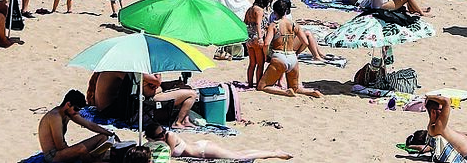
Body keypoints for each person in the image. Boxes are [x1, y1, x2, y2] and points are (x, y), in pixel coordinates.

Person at [257, 0, 323, 98]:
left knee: (262, 86)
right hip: (292, 57)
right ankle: (310, 92)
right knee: (295, 87)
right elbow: (305, 41)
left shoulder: (274, 25)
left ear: (275, 12)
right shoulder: (294, 24)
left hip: (279, 56)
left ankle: (285, 92)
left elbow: (266, 44)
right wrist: (297, 53)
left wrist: (267, 55)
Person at [144, 121, 293, 161]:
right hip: (201, 147)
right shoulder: (158, 140)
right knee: (239, 154)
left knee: (239, 157)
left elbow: (168, 155)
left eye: (163, 132)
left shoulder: (169, 137)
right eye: (160, 135)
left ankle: (275, 153)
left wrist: (153, 141)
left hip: (203, 150)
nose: (163, 135)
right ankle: (273, 153)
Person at [38, 89, 113, 163]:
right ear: (68, 104)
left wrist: (110, 134)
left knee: (103, 138)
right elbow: (59, 146)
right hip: (53, 156)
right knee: (82, 149)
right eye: (76, 109)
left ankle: (96, 160)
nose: (76, 112)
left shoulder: (68, 113)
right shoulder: (55, 117)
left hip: (63, 151)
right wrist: (76, 153)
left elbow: (89, 125)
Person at [244, 0, 274, 87]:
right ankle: (258, 84)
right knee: (260, 64)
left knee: (252, 63)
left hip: (249, 38)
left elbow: (245, 23)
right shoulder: (259, 10)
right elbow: (258, 23)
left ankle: (249, 83)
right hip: (257, 38)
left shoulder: (249, 9)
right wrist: (261, 37)